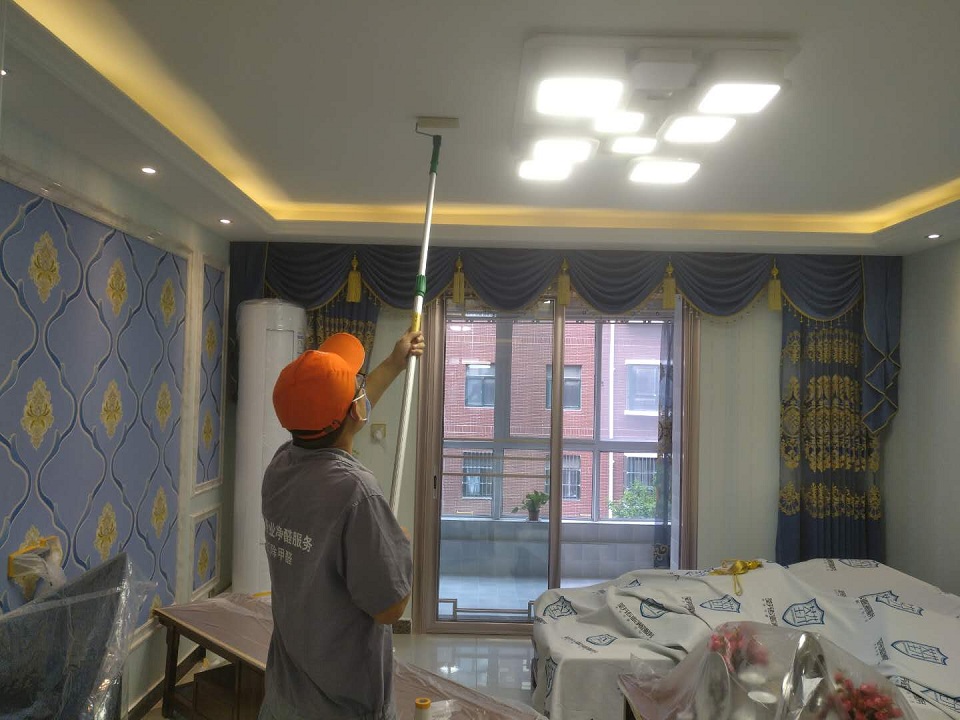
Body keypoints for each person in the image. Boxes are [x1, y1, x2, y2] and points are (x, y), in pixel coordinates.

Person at [259, 329, 424, 720]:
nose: (362, 391)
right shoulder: (356, 493)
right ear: (356, 413)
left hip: (286, 694)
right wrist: (396, 546)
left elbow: (342, 414)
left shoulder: (281, 466)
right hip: (342, 705)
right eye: (357, 387)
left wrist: (394, 362)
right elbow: (390, 608)